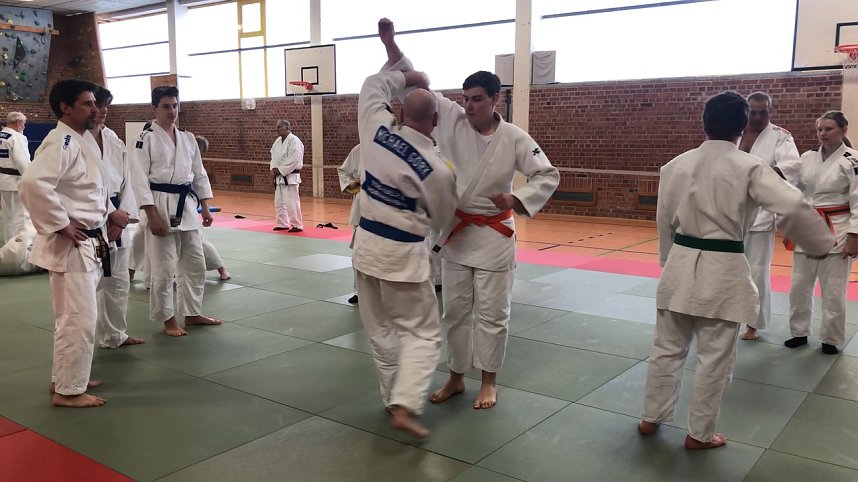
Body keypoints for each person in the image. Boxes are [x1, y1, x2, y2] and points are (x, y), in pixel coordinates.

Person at [377, 18, 560, 410]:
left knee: (493, 314)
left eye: (477, 98)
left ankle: (489, 381)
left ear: (496, 98)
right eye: (465, 98)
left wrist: (518, 199)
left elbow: (547, 173)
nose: (468, 105)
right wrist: (391, 44)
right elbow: (416, 85)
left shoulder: (515, 138)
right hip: (458, 234)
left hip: (495, 236)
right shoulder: (452, 120)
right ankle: (456, 377)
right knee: (455, 312)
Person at [639, 91, 834, 449]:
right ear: (743, 126)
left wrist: (668, 262)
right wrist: (820, 243)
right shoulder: (749, 166)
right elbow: (792, 203)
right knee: (715, 358)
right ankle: (699, 435)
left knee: (665, 349)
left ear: (704, 122)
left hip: (679, 266)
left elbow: (663, 223)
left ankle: (651, 417)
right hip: (724, 269)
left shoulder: (674, 165)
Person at [354, 68, 458, 438]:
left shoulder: (376, 128)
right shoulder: (438, 168)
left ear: (400, 113)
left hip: (365, 249)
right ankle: (406, 404)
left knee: (381, 330)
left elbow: (372, 85)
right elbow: (443, 217)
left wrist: (406, 74)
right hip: (402, 258)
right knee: (423, 333)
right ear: (436, 119)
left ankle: (390, 397)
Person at [19, 79, 116, 408]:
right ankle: (68, 391)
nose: (95, 109)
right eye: (88, 103)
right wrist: (61, 224)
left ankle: (67, 377)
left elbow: (91, 190)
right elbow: (32, 184)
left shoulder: (79, 140)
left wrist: (109, 215)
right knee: (78, 318)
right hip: (72, 246)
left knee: (75, 317)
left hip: (88, 242)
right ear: (65, 107)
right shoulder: (61, 140)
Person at [130, 86, 221, 337]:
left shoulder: (188, 138)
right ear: (154, 108)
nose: (172, 111)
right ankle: (168, 320)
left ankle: (192, 313)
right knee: (163, 267)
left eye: (175, 105)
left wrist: (205, 206)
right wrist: (151, 214)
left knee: (195, 263)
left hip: (187, 205)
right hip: (159, 203)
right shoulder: (145, 138)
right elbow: (139, 179)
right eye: (166, 106)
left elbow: (199, 174)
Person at [785, 111, 858, 355]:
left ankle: (830, 338)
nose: (823, 134)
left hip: (837, 227)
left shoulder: (852, 160)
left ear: (843, 130)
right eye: (820, 130)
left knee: (834, 288)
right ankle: (798, 332)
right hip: (807, 226)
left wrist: (854, 236)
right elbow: (793, 188)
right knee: (799, 285)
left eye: (829, 129)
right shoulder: (806, 157)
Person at [737, 92, 801, 341]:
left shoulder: (780, 136)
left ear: (770, 111)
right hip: (730, 213)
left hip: (761, 216)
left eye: (763, 111)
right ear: (746, 111)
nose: (758, 116)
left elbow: (792, 166)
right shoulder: (734, 132)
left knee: (757, 271)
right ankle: (724, 315)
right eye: (753, 111)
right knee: (725, 267)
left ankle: (753, 323)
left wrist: (756, 175)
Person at [90, 85, 145, 349]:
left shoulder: (112, 137)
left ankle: (115, 335)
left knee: (118, 282)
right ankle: (88, 341)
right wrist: (111, 214)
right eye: (97, 105)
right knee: (91, 286)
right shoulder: (73, 140)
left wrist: (121, 216)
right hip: (92, 220)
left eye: (105, 105)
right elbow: (83, 187)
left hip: (118, 218)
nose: (102, 111)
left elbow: (127, 181)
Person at [195, 135, 230, 281]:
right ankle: (131, 272)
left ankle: (221, 269)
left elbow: (201, 185)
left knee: (199, 241)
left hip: (186, 208)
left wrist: (205, 208)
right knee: (142, 239)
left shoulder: (196, 164)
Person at [0, 111, 31, 243]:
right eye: (24, 124)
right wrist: (32, 179)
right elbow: (22, 162)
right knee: (19, 218)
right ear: (18, 123)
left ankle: (7, 245)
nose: (24, 127)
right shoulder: (17, 137)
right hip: (15, 183)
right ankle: (17, 250)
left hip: (3, 181)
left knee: (7, 217)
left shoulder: (1, 135)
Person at [337, 144, 361, 304]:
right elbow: (344, 170)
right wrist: (351, 184)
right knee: (359, 253)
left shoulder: (397, 149)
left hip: (388, 211)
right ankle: (359, 291)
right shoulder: (359, 150)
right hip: (362, 206)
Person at [270, 120, 304, 233]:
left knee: (291, 202)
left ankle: (297, 225)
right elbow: (273, 156)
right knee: (278, 202)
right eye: (276, 127)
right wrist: (273, 168)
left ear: (287, 127)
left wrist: (280, 170)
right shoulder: (277, 141)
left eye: (279, 127)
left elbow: (294, 159)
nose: (277, 129)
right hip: (279, 177)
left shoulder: (294, 141)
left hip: (290, 176)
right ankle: (282, 223)